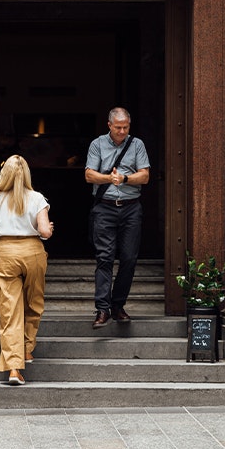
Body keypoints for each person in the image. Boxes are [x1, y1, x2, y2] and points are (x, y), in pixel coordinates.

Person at [0, 154, 53, 386]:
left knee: (9, 310)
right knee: (34, 302)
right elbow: (45, 231)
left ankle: (14, 369)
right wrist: (49, 229)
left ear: (5, 174)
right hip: (33, 251)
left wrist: (0, 236)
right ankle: (27, 348)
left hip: (6, 251)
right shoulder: (37, 198)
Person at [84, 107, 150, 328]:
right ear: (109, 125)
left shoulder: (137, 144)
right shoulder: (97, 144)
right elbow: (89, 174)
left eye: (126, 127)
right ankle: (102, 309)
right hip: (105, 207)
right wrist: (109, 179)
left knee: (129, 258)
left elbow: (145, 176)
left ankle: (118, 305)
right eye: (118, 127)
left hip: (131, 208)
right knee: (104, 258)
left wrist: (124, 179)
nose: (122, 131)